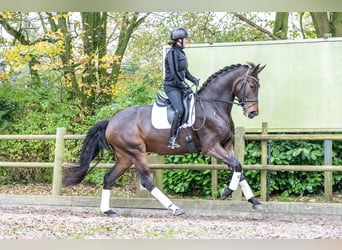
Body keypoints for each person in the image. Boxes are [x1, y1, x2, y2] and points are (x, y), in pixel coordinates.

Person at [163, 28, 199, 149]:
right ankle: (171, 139)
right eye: (185, 39)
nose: (187, 41)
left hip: (180, 85)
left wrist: (193, 79)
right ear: (179, 40)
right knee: (180, 110)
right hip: (172, 86)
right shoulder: (172, 53)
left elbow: (184, 71)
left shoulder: (181, 52)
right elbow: (174, 73)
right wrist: (184, 86)